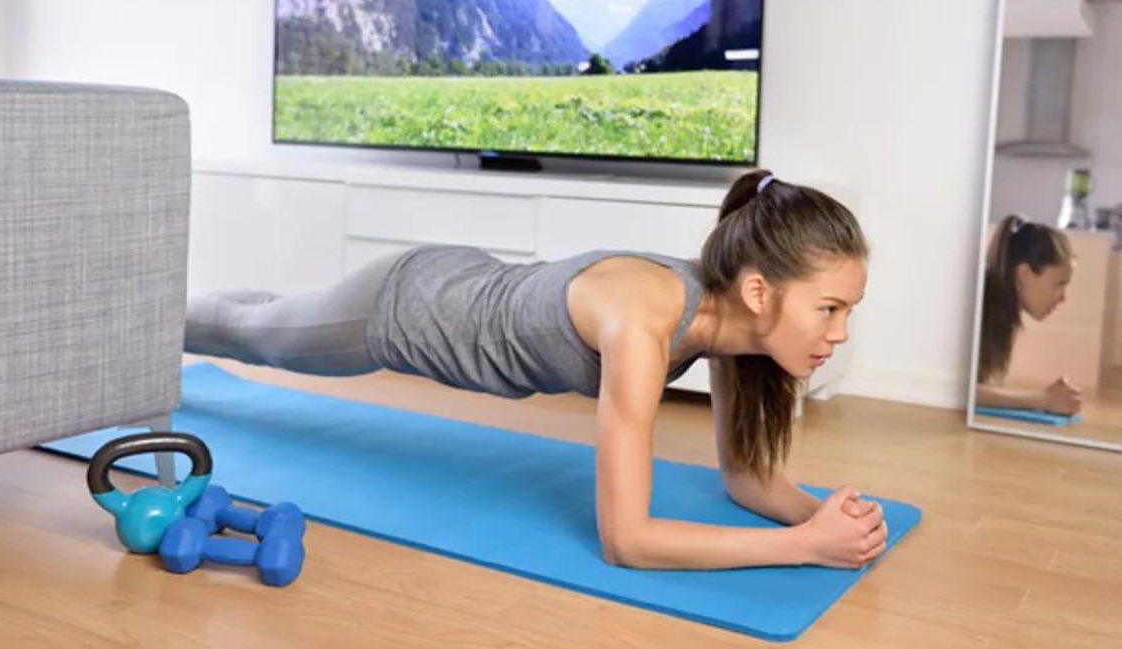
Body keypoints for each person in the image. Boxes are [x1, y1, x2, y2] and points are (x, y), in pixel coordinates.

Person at [185, 169, 886, 571]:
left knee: (265, 316)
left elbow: (745, 476)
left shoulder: (731, 315)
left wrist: (819, 516)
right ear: (762, 291)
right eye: (828, 308)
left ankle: (165, 311)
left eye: (846, 310)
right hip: (407, 309)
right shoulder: (644, 324)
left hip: (465, 281)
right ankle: (143, 317)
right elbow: (627, 540)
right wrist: (803, 547)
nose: (839, 331)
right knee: (259, 332)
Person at [975, 214, 1081, 415]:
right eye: (1059, 284)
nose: (1063, 298)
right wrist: (1044, 400)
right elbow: (959, 391)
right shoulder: (981, 306)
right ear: (1024, 274)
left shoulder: (1001, 314)